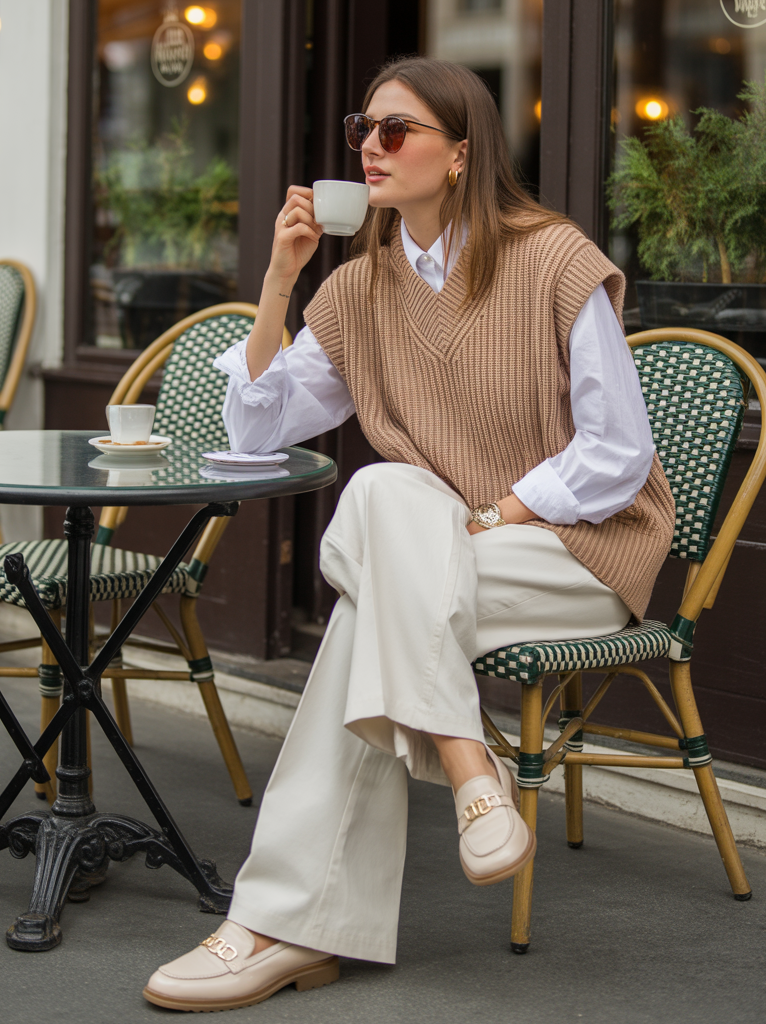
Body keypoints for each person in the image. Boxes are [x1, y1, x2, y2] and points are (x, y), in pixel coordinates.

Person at [142, 56, 675, 1013]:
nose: (371, 150)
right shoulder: (357, 291)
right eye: (363, 132)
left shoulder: (553, 259)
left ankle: (272, 929)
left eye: (397, 131)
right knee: (386, 492)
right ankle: (473, 778)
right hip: (436, 549)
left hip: (572, 547)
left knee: (371, 593)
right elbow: (256, 430)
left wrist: (504, 511)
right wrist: (278, 280)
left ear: (460, 153)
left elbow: (617, 454)